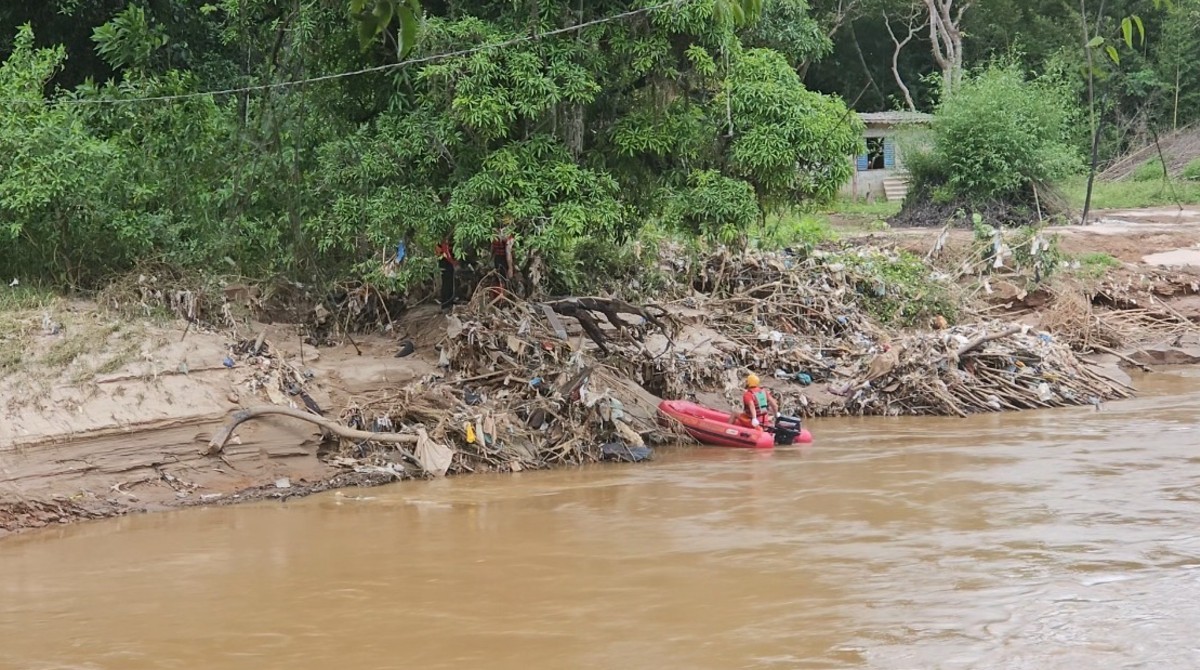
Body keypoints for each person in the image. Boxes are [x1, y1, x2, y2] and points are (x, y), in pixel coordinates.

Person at [435, 237, 457, 311]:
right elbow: (446, 253)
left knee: (450, 282)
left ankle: (450, 301)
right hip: (445, 263)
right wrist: (454, 262)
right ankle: (445, 303)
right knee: (446, 283)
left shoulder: (448, 239)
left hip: (448, 263)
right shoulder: (443, 240)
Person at [491, 220, 515, 284]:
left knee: (499, 278)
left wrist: (490, 259)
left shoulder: (494, 234)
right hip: (504, 259)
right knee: (506, 279)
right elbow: (508, 252)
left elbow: (492, 248)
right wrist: (510, 268)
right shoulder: (508, 236)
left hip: (497, 258)